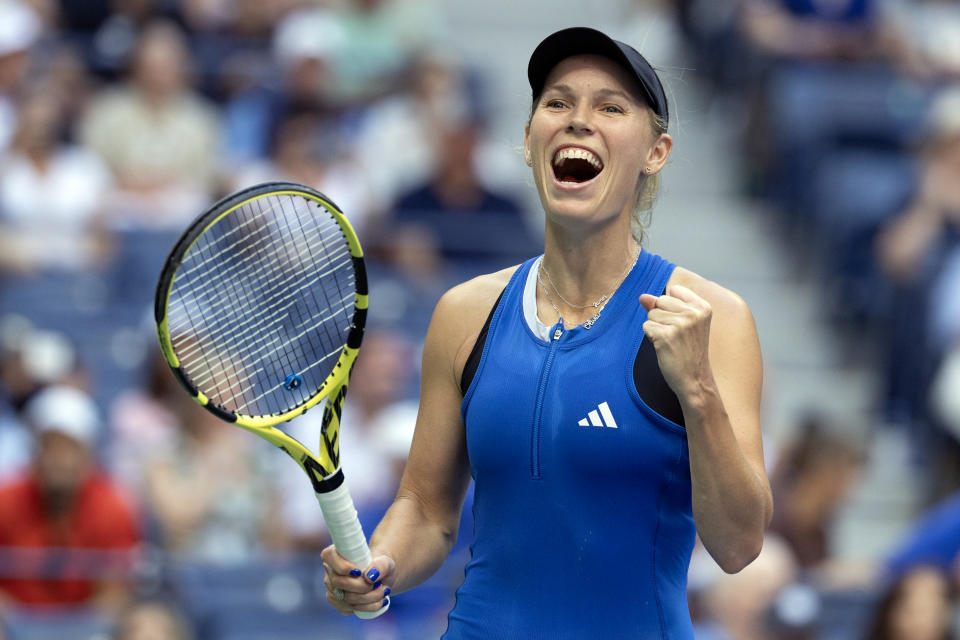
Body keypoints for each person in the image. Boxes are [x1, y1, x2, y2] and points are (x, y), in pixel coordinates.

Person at [321, 26, 772, 636]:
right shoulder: (464, 312)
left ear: (655, 152)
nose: (578, 120)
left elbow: (739, 545)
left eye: (610, 107)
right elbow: (426, 511)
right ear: (529, 141)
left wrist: (698, 391)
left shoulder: (710, 317)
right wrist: (382, 562)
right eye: (557, 103)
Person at [0, 384, 141, 613]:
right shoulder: (5, 500)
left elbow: (115, 594)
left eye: (69, 448)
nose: (58, 459)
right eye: (49, 446)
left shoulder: (114, 507)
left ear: (87, 454)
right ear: (34, 451)